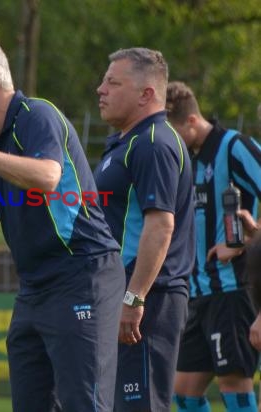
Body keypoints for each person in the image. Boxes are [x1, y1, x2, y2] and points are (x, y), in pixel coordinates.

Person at [0, 35, 126, 412]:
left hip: (81, 275)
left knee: (86, 405)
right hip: (34, 289)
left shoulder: (37, 115)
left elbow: (48, 176)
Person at [92, 48, 195, 412]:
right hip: (124, 296)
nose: (100, 89)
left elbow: (160, 224)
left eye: (112, 82)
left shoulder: (153, 143)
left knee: (142, 406)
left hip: (148, 299)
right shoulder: (127, 143)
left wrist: (133, 298)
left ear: (146, 94)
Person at [165, 81, 261, 412]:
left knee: (233, 383)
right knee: (183, 391)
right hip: (199, 291)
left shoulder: (233, 146)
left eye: (173, 132)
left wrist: (248, 240)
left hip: (232, 289)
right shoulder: (190, 161)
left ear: (191, 121)